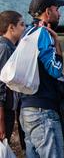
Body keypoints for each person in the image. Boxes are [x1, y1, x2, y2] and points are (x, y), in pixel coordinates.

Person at [19, 0, 64, 157]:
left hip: (26, 109)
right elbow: (55, 70)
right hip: (43, 112)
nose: (59, 14)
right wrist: (58, 45)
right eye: (56, 10)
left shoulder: (27, 33)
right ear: (48, 11)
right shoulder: (43, 33)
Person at [0, 11, 25, 142]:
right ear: (11, 27)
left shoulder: (11, 48)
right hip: (5, 111)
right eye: (21, 24)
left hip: (8, 110)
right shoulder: (5, 49)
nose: (24, 28)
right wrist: (1, 120)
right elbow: (0, 86)